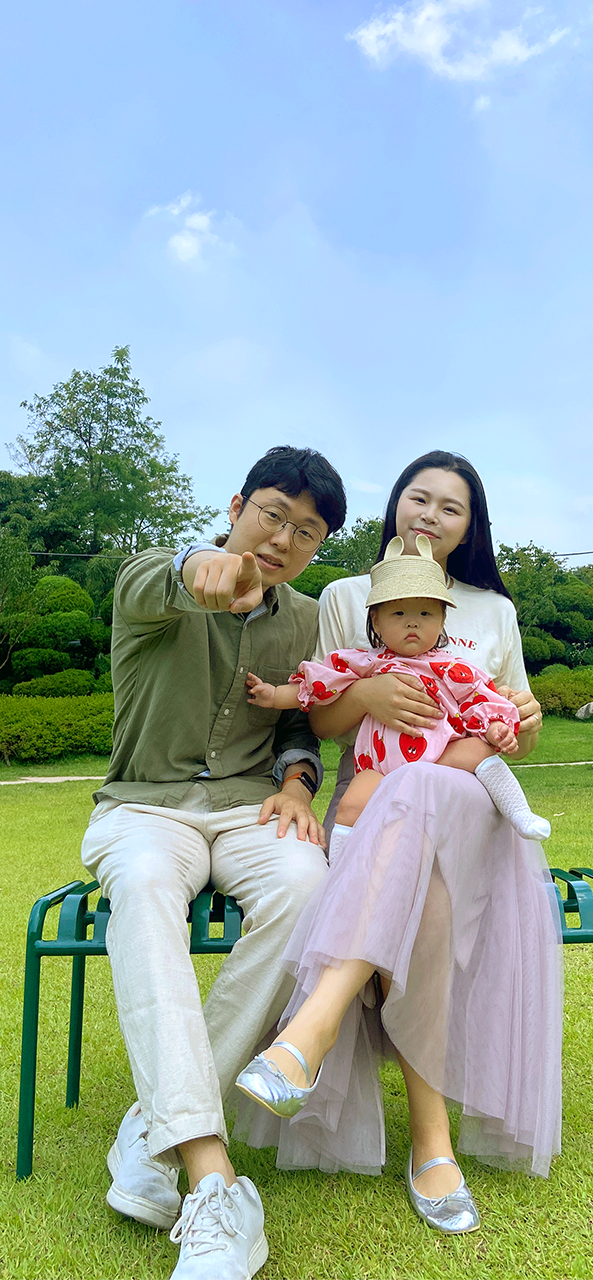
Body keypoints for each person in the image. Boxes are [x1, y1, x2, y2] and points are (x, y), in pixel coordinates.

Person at [231, 451, 563, 1235]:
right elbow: (323, 717)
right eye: (420, 497)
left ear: (471, 527)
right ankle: (430, 1138)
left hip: (467, 812)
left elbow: (514, 728)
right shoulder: (348, 596)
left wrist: (526, 721)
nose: (431, 515)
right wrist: (371, 693)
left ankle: (310, 1030)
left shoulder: (494, 612)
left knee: (421, 792)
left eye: (452, 506)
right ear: (395, 505)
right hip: (376, 809)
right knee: (426, 901)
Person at [80, 446, 346, 1280]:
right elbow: (157, 578)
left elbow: (301, 718)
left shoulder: (307, 619)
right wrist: (199, 565)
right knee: (144, 883)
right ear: (236, 506)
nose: (283, 539)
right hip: (145, 804)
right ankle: (210, 1175)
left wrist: (299, 783)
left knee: (308, 884)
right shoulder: (157, 578)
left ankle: (152, 1130)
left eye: (306, 531)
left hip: (248, 808)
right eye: (273, 515)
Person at [245, 532, 551, 843]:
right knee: (351, 806)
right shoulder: (364, 663)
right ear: (376, 622)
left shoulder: (452, 668)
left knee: (479, 752)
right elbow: (319, 684)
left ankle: (519, 812)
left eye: (425, 613)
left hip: (439, 759)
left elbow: (481, 699)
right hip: (379, 768)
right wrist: (275, 696)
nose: (412, 623)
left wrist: (497, 727)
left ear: (442, 621)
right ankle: (342, 861)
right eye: (399, 613)